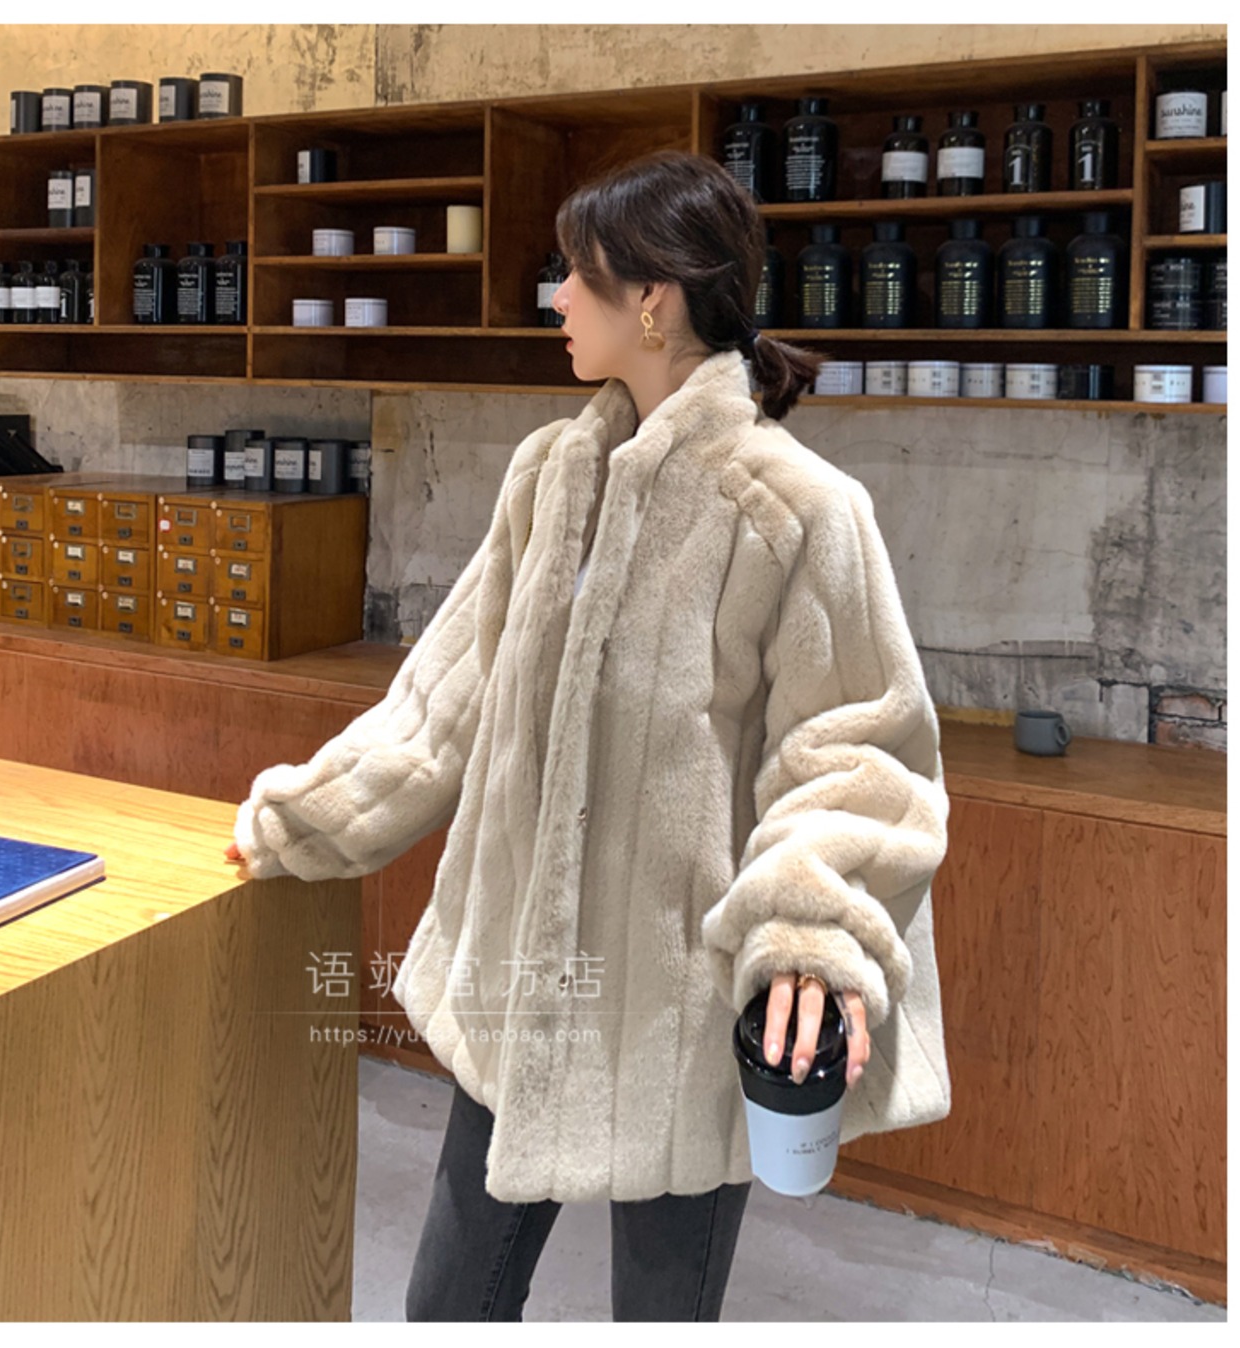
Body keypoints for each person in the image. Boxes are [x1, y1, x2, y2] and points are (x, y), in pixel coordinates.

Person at [227, 149, 951, 1321]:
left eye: (575, 273)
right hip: (520, 988)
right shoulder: (551, 477)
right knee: (445, 1309)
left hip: (678, 1018)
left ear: (651, 298)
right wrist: (303, 816)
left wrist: (808, 933)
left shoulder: (797, 510)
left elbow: (855, 752)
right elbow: (444, 696)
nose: (555, 297)